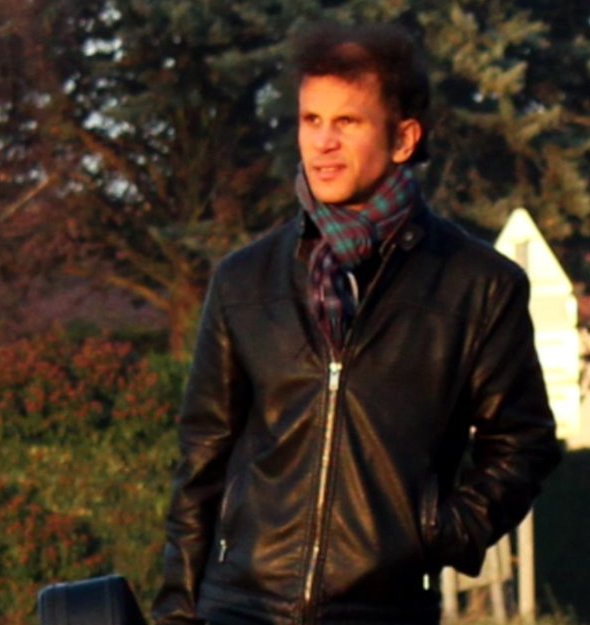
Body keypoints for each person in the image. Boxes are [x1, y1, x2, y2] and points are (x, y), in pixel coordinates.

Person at [152, 22, 561, 625]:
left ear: (403, 139)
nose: (322, 143)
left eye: (347, 122)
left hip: (384, 611)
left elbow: (524, 444)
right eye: (310, 120)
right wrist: (177, 612)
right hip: (239, 608)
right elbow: (202, 456)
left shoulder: (479, 285)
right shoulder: (244, 280)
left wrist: (440, 532)